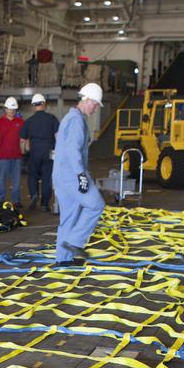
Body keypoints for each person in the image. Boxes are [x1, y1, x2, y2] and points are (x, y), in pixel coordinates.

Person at [52, 82, 105, 266]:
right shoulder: (76, 120)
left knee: (69, 217)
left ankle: (63, 260)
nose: (96, 108)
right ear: (87, 99)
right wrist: (81, 175)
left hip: (61, 176)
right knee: (96, 205)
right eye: (96, 104)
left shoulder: (69, 117)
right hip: (72, 175)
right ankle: (74, 243)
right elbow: (73, 151)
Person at [20, 94, 59, 210]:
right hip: (49, 151)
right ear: (44, 104)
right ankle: (44, 204)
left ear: (33, 105)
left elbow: (22, 140)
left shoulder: (29, 121)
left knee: (32, 175)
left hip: (34, 151)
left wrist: (24, 154)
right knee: (47, 177)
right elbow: (58, 136)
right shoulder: (52, 119)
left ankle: (34, 194)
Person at [0, 97, 23, 208]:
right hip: (3, 156)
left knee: (16, 181)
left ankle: (16, 201)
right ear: (5, 109)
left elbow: (24, 139)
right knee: (1, 180)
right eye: (10, 109)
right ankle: (0, 200)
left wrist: (24, 151)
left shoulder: (20, 122)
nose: (12, 111)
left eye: (14, 109)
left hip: (17, 156)